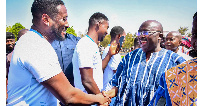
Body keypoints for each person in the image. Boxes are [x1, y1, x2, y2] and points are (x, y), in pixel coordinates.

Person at [7, 0, 110, 105]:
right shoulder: (35, 45)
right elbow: (69, 96)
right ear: (46, 19)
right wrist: (100, 99)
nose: (67, 24)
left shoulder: (34, 41)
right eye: (64, 19)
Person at [103, 20, 185, 106]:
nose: (141, 36)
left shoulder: (175, 62)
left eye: (146, 32)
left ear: (159, 36)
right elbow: (117, 84)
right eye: (139, 33)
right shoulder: (130, 57)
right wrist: (106, 97)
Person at [148, 12, 197, 106]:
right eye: (195, 33)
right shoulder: (172, 75)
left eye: (171, 39)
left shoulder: (184, 59)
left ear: (179, 42)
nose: (168, 42)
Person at [72, 12, 119, 98]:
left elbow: (97, 69)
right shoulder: (86, 44)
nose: (107, 32)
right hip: (88, 101)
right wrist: (101, 99)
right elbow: (87, 80)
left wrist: (109, 54)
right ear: (99, 24)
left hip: (93, 98)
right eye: (106, 27)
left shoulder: (92, 45)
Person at [102, 26, 126, 91]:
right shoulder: (112, 52)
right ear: (119, 36)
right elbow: (119, 72)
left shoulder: (109, 50)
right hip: (109, 90)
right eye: (123, 40)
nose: (123, 42)